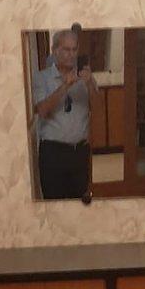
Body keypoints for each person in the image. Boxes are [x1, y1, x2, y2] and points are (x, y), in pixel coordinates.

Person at [32, 29, 103, 200]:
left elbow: (99, 109)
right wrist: (65, 86)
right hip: (52, 153)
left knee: (79, 206)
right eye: (66, 49)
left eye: (74, 49)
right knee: (54, 206)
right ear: (55, 50)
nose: (71, 54)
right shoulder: (41, 78)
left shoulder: (86, 78)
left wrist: (90, 84)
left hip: (80, 152)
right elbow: (42, 111)